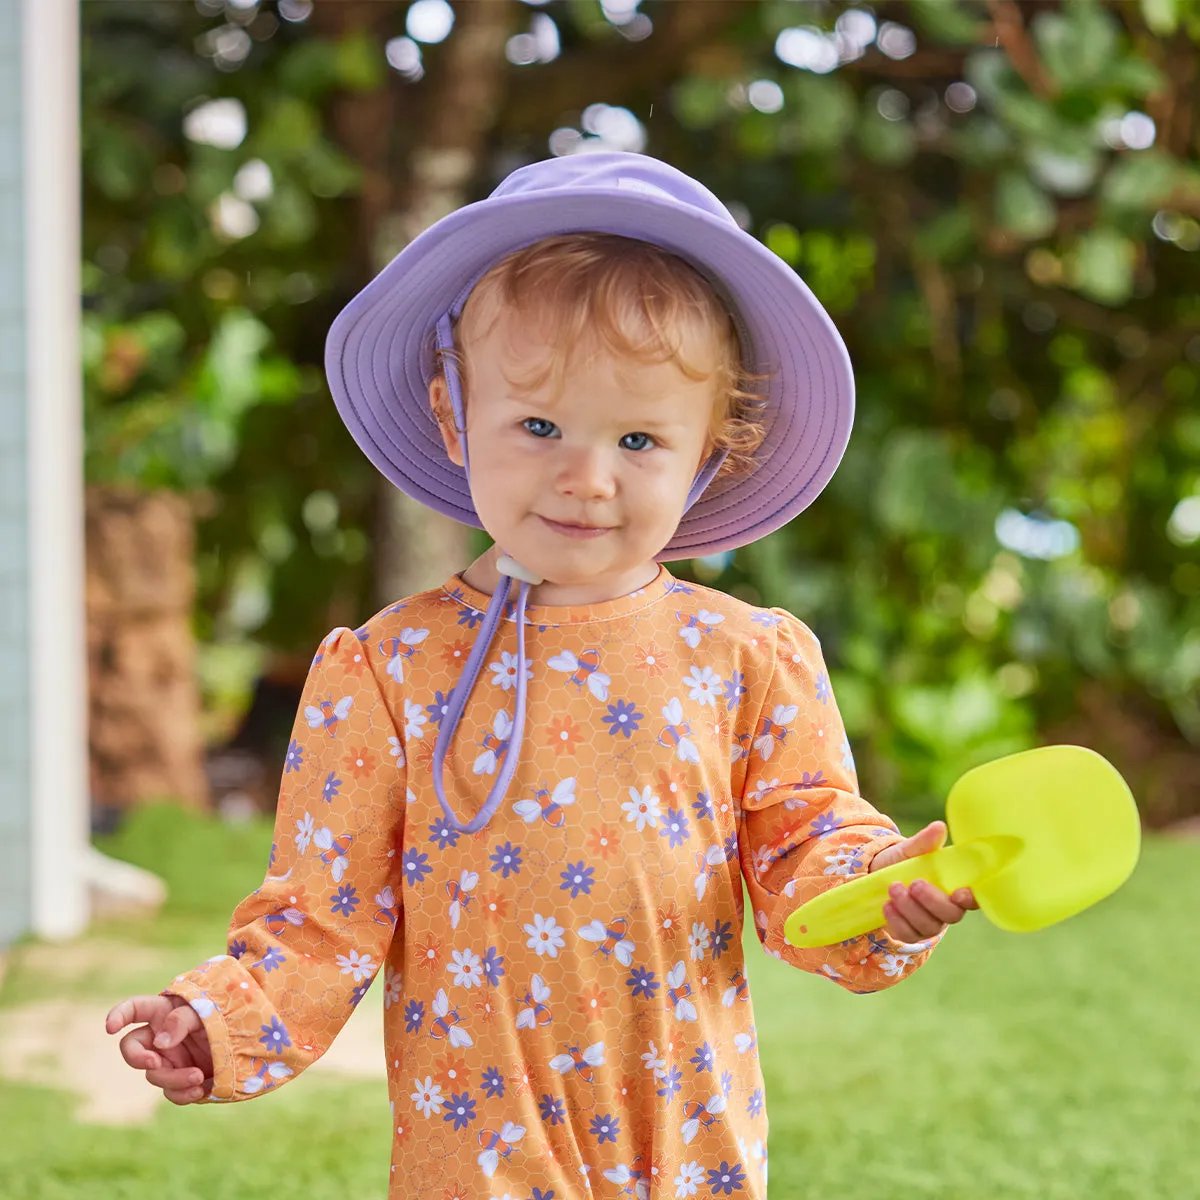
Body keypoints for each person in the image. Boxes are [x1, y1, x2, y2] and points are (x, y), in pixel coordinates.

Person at [106, 153, 977, 1200]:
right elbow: (321, 917)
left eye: (640, 438)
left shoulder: (744, 660)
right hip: (474, 1148)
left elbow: (803, 848)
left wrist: (879, 898)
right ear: (451, 411)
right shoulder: (386, 673)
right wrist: (218, 1021)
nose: (586, 476)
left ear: (712, 451)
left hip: (684, 1138)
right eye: (537, 425)